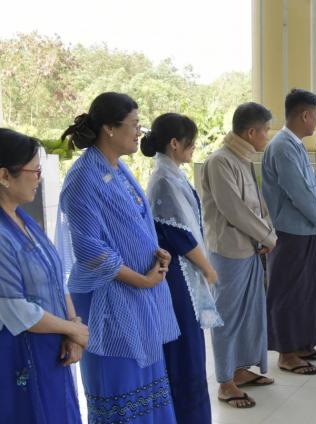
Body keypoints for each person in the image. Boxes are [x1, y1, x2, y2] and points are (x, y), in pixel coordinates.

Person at [60, 92, 180, 423]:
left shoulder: (118, 168)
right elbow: (89, 250)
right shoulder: (83, 177)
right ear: (110, 129)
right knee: (120, 384)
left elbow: (134, 225)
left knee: (147, 382)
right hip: (109, 299)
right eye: (134, 124)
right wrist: (141, 279)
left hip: (140, 294)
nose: (139, 132)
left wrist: (156, 253)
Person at [0, 128, 86, 424]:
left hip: (52, 348)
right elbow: (14, 308)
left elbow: (55, 275)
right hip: (21, 353)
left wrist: (73, 327)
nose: (39, 178)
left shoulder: (23, 219)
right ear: (4, 175)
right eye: (34, 171)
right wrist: (72, 329)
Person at [142, 113, 222, 423]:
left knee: (191, 352)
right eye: (191, 142)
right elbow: (179, 235)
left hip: (182, 275)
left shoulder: (171, 174)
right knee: (185, 353)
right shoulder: (163, 180)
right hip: (178, 278)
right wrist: (207, 268)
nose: (194, 147)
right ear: (174, 143)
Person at [201, 102, 277, 408]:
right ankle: (225, 381)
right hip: (229, 251)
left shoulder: (242, 158)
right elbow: (234, 209)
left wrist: (267, 233)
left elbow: (258, 204)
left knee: (249, 314)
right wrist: (267, 236)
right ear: (251, 132)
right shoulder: (220, 161)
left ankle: (241, 369)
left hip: (250, 249)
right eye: (266, 130)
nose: (267, 136)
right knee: (228, 317)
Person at [262, 89, 316, 375]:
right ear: (305, 115)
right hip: (290, 232)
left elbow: (314, 185)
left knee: (308, 291)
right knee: (289, 293)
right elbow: (298, 192)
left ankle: (304, 344)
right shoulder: (282, 146)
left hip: (307, 229)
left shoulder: (296, 145)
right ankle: (287, 353)